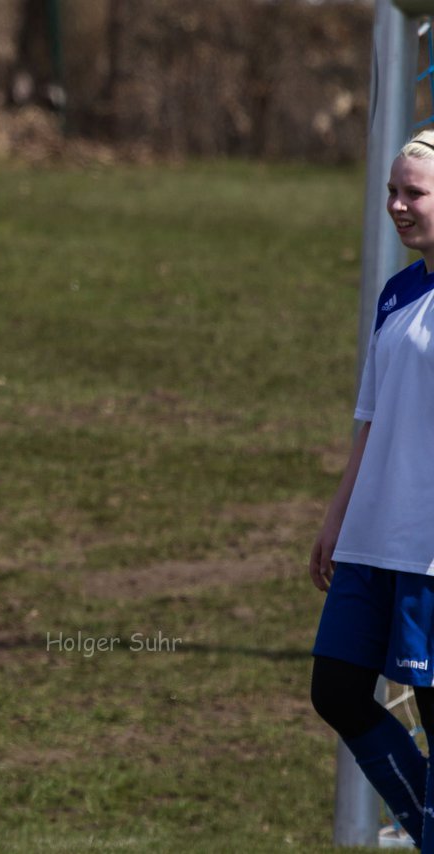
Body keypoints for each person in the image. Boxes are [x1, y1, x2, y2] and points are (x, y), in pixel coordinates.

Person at [310, 128, 434, 850]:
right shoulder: (397, 294)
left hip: (426, 551)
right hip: (370, 537)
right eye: (392, 191)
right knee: (337, 689)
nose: (395, 205)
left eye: (412, 193)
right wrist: (337, 515)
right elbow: (371, 416)